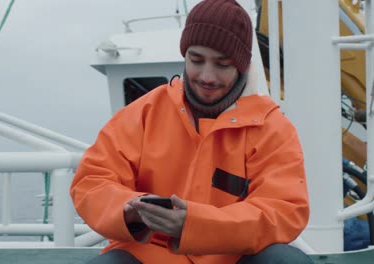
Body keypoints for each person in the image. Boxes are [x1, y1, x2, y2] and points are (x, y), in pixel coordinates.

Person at [70, 0, 313, 263]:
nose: (207, 76)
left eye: (222, 64)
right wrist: (130, 209)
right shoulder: (142, 113)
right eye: (196, 60)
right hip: (149, 256)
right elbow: (91, 182)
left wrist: (195, 224)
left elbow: (284, 210)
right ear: (184, 55)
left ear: (242, 66)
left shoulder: (272, 128)